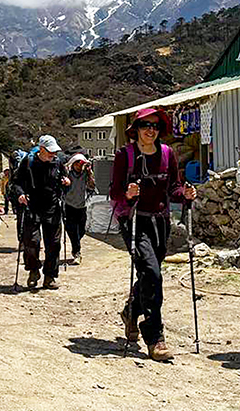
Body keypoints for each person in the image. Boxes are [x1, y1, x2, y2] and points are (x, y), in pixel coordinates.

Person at [110, 108, 195, 362]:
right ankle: (155, 337)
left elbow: (174, 188)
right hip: (134, 220)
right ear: (136, 128)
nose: (151, 130)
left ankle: (130, 311)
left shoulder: (167, 154)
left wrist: (185, 194)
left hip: (160, 222)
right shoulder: (124, 156)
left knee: (150, 274)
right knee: (152, 274)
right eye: (146, 125)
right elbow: (114, 192)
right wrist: (127, 193)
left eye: (155, 126)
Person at [11, 135, 70, 289]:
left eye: (55, 151)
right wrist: (20, 194)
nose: (53, 154)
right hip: (32, 207)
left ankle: (50, 276)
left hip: (52, 208)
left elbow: (64, 182)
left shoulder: (58, 163)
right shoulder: (28, 162)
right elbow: (16, 183)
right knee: (31, 243)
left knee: (54, 244)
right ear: (41, 149)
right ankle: (33, 271)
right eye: (50, 151)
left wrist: (66, 183)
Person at [63, 153, 95, 265]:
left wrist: (90, 173)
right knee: (72, 230)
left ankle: (75, 245)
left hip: (82, 206)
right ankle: (77, 252)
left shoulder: (86, 174)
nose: (79, 166)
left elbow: (92, 186)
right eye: (77, 164)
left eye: (81, 164)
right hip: (69, 205)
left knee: (81, 231)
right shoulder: (68, 174)